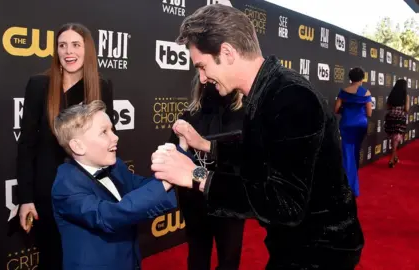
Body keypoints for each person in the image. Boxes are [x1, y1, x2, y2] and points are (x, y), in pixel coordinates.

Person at [150, 4, 364, 269]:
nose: (202, 79)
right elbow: (265, 153)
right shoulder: (267, 91)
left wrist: (197, 176)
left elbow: (286, 204)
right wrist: (206, 145)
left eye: (203, 66)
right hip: (296, 244)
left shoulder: (291, 97)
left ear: (227, 52)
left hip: (319, 252)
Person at [16, 23, 114, 270]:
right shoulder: (39, 85)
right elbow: (27, 144)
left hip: (86, 192)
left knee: (84, 258)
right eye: (62, 45)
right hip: (47, 190)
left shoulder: (101, 87)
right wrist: (26, 199)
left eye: (75, 45)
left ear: (87, 50)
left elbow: (105, 142)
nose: (68, 51)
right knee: (51, 257)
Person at [51, 100, 177, 270]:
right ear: (78, 146)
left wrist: (177, 163)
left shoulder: (116, 166)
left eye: (112, 129)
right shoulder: (66, 185)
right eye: (104, 132)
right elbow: (110, 216)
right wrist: (168, 180)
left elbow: (142, 187)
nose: (115, 137)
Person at [168, 74, 245, 270]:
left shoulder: (244, 114)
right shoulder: (188, 115)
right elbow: (174, 157)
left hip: (230, 203)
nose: (207, 78)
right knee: (197, 255)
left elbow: (246, 163)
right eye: (202, 71)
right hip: (194, 201)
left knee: (229, 258)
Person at [334, 67, 372, 197]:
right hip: (361, 125)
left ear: (350, 77)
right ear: (362, 78)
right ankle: (352, 185)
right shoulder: (366, 93)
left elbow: (336, 109)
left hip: (347, 124)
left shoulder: (343, 91)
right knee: (355, 151)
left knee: (347, 152)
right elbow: (369, 113)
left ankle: (348, 185)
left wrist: (345, 109)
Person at [384, 79, 409, 168]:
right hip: (400, 118)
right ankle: (391, 159)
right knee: (396, 138)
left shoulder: (392, 95)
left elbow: (387, 106)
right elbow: (406, 109)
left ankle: (395, 157)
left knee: (393, 139)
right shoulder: (405, 96)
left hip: (391, 117)